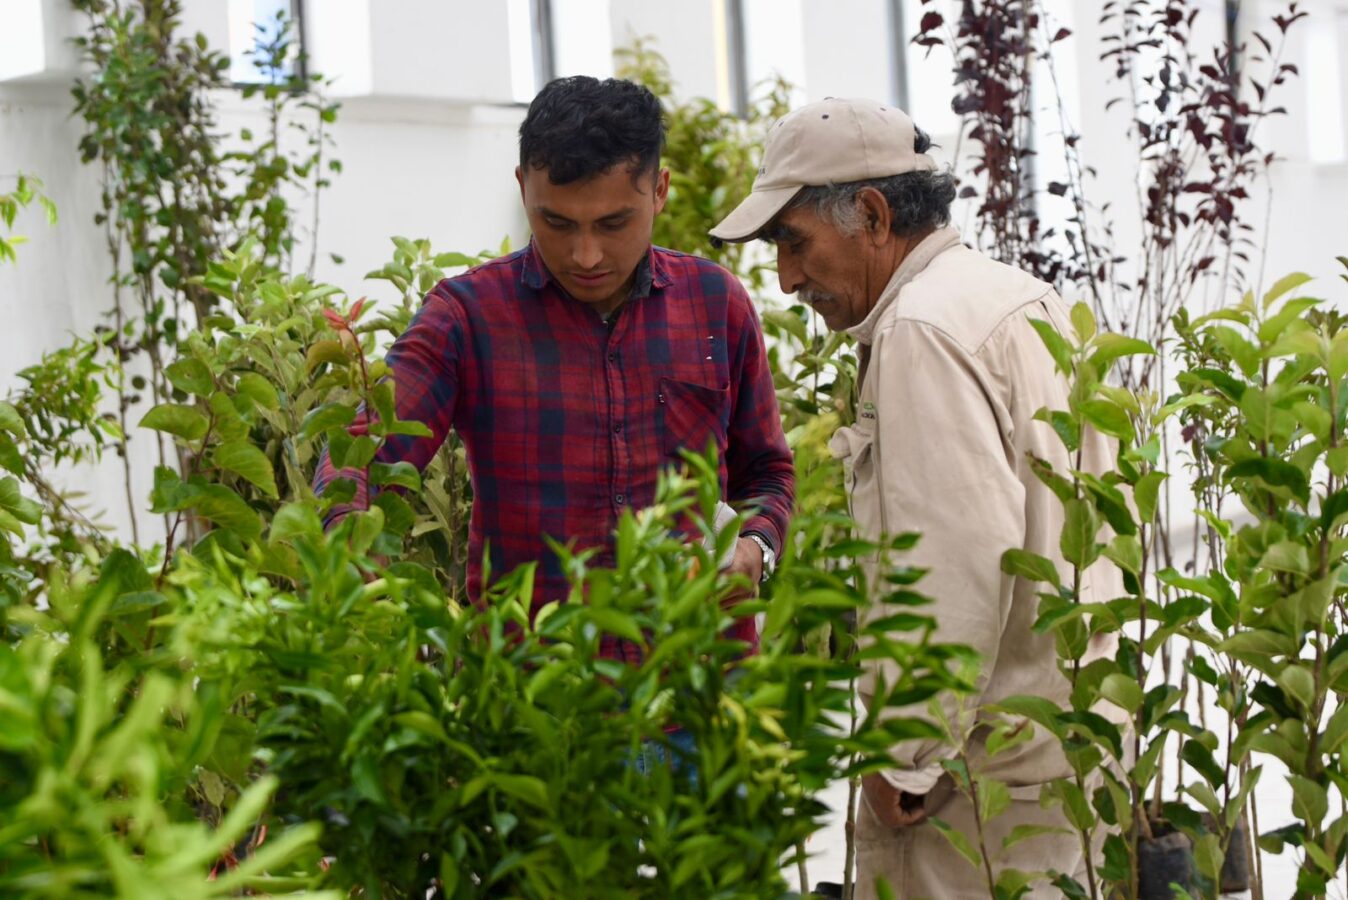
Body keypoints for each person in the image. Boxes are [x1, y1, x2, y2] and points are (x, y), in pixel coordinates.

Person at [710, 97, 1118, 897]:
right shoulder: (1014, 297)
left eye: (794, 242)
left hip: (975, 790)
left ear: (871, 213)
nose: (787, 279)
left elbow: (952, 559)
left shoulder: (919, 331)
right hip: (1064, 754)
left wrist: (906, 754)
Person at [315, 76, 794, 664]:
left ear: (660, 190)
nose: (585, 255)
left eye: (613, 224)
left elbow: (767, 471)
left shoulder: (714, 303)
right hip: (540, 706)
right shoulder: (468, 317)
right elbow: (357, 458)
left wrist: (755, 547)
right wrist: (353, 553)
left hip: (702, 693)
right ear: (523, 189)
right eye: (558, 224)